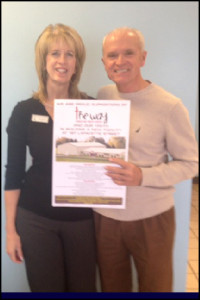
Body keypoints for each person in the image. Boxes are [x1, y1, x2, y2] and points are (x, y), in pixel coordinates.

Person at [94, 27, 198, 292]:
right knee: (111, 288)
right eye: (112, 55)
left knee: (156, 288)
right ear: (104, 62)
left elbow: (190, 163)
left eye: (129, 53)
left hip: (152, 218)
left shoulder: (169, 106)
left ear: (143, 57)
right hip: (105, 217)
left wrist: (143, 176)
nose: (120, 61)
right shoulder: (103, 96)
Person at [4, 23, 96, 292]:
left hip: (83, 222)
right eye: (55, 53)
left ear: (77, 64)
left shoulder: (93, 108)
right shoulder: (24, 111)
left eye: (70, 54)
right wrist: (11, 231)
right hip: (35, 220)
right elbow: (13, 174)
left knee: (84, 289)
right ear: (43, 60)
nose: (62, 61)